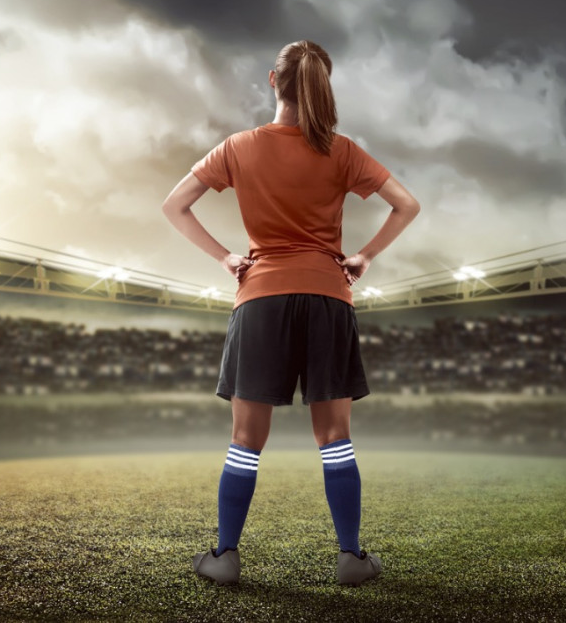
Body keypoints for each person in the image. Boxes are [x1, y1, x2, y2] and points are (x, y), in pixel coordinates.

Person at [162, 40, 420, 587]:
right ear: (323, 87)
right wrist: (365, 257)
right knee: (335, 437)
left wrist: (228, 257)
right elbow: (407, 204)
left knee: (246, 440)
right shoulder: (343, 151)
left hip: (260, 298)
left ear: (272, 80)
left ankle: (225, 556)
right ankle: (350, 557)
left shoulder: (237, 147)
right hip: (329, 296)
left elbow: (174, 205)